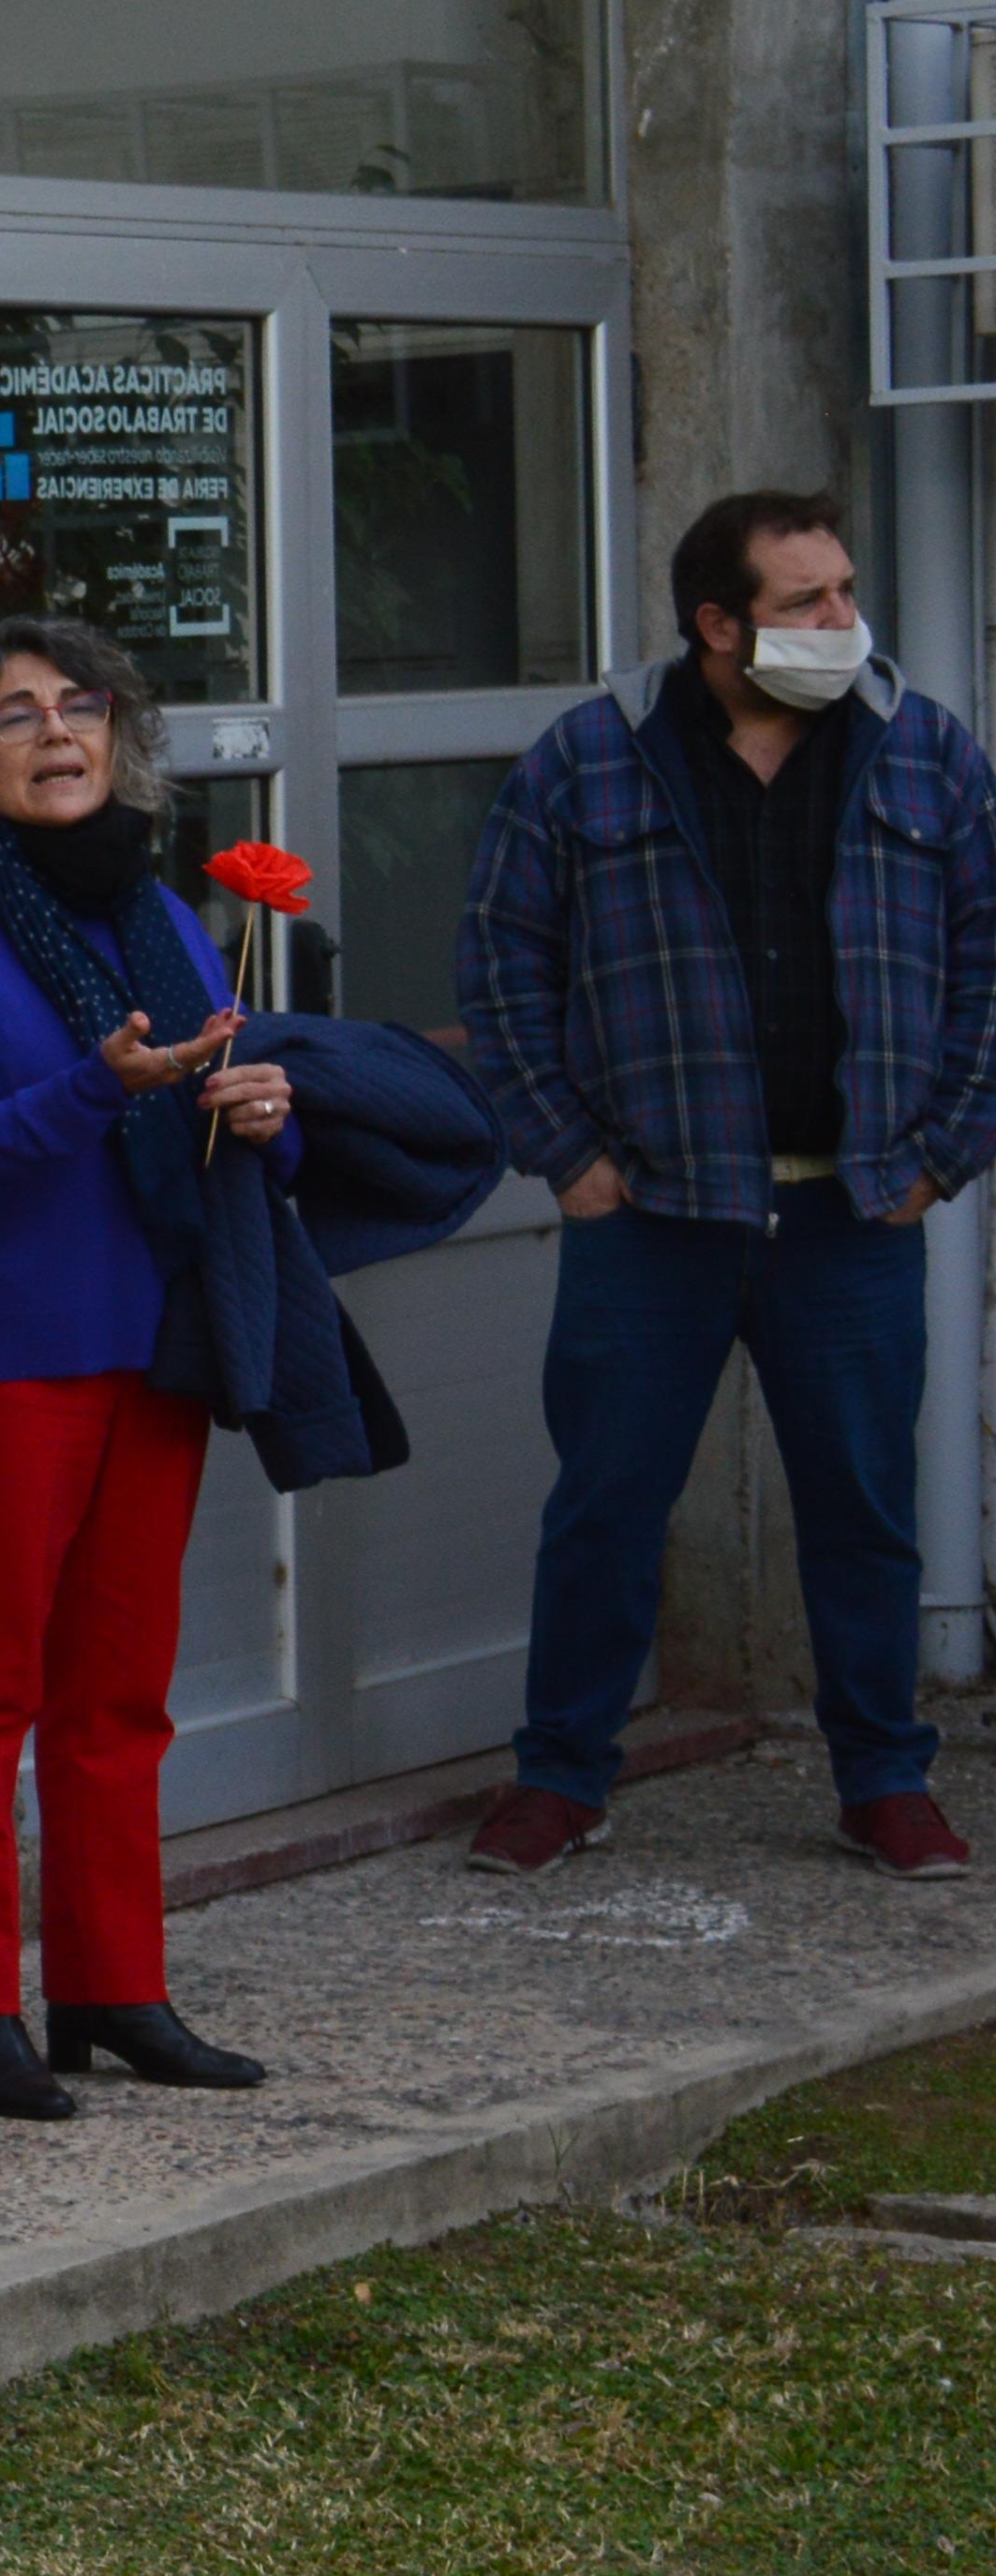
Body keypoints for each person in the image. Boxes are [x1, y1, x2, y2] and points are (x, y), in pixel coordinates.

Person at [460, 487, 996, 1880]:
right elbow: (502, 964)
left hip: (853, 1210)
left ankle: (885, 1783)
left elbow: (989, 968)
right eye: (807, 601)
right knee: (605, 1508)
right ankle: (560, 1779)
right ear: (717, 625)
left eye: (847, 590)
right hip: (653, 1212)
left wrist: (939, 1158)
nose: (845, 620)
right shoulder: (591, 759)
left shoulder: (926, 751)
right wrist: (569, 1157)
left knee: (863, 1514)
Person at [0, 620, 288, 2120]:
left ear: (121, 736)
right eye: (16, 714)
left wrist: (263, 1106)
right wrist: (87, 1094)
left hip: (150, 1343)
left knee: (120, 1694)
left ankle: (113, 1986)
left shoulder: (162, 915)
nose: (56, 731)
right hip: (0, 1354)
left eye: (80, 706)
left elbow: (210, 1120)